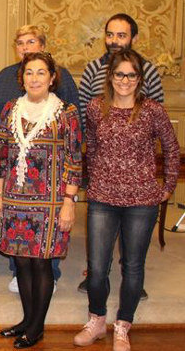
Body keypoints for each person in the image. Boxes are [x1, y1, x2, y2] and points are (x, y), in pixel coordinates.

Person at [73, 50, 179, 351]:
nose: (125, 81)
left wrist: (167, 187)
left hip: (141, 201)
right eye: (119, 74)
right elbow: (90, 146)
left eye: (131, 75)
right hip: (102, 199)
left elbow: (171, 149)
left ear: (139, 79)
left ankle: (122, 325)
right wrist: (94, 180)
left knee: (133, 266)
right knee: (96, 268)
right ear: (111, 77)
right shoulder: (95, 108)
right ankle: (97, 320)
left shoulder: (152, 111)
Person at [0, 52, 82, 349]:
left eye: (41, 72)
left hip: (52, 201)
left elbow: (74, 160)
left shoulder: (65, 113)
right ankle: (27, 321)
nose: (34, 78)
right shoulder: (10, 109)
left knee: (41, 264)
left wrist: (69, 201)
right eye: (29, 72)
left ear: (52, 77)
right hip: (15, 199)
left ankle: (37, 327)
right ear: (22, 77)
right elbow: (1, 156)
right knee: (21, 261)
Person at [0, 25, 80, 294]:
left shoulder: (64, 101)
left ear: (51, 78)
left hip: (51, 189)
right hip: (16, 186)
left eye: (32, 41)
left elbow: (74, 148)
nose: (26, 47)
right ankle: (20, 281)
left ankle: (52, 276)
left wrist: (69, 199)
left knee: (44, 259)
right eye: (20, 42)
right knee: (22, 252)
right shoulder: (5, 80)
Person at [77, 13, 165, 296]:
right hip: (102, 167)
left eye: (121, 35)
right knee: (100, 233)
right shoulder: (93, 69)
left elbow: (157, 120)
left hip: (137, 172)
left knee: (134, 232)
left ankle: (132, 280)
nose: (114, 41)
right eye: (110, 34)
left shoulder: (148, 71)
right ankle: (95, 277)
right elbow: (83, 115)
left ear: (133, 39)